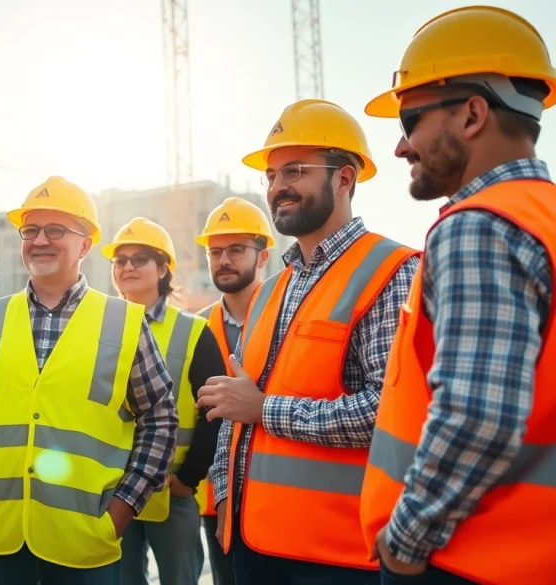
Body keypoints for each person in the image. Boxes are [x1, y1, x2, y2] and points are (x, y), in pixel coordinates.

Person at [359, 7, 556, 585]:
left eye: (410, 120)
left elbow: (477, 419)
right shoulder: (542, 219)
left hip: (468, 560)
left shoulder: (478, 226)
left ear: (472, 114)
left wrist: (403, 543)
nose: (400, 148)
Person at [199, 100, 419, 585]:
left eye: (294, 171)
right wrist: (223, 498)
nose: (278, 187)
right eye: (272, 175)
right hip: (251, 545)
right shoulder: (273, 288)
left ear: (344, 178)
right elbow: (239, 405)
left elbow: (391, 412)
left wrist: (266, 410)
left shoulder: (392, 272)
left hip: (336, 556)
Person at [0, 176, 179, 585]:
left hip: (86, 541)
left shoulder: (123, 322)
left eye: (56, 230)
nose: (40, 241)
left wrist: (123, 507)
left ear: (85, 245)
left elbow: (160, 418)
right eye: (30, 230)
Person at [101, 217, 223, 585]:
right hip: (110, 488)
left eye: (139, 259)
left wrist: (189, 478)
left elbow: (216, 412)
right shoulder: (96, 327)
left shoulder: (193, 331)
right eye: (120, 260)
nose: (127, 267)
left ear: (163, 268)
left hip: (171, 491)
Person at [193, 196, 276, 585]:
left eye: (236, 250)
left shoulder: (284, 317)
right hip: (213, 497)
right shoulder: (195, 327)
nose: (223, 260)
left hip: (275, 490)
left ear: (262, 257)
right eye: (215, 252)